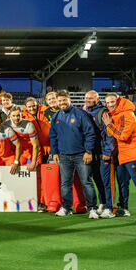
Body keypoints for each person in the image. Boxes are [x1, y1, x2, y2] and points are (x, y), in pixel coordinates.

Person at [49, 90, 98, 219]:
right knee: (65, 184)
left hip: (81, 155)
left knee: (86, 182)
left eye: (64, 100)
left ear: (69, 99)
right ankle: (66, 207)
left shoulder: (80, 114)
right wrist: (54, 152)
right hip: (64, 156)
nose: (62, 103)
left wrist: (88, 151)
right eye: (59, 101)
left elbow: (90, 133)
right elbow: (53, 136)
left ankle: (92, 208)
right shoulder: (56, 116)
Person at [102, 93, 136, 223]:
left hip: (133, 154)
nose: (110, 105)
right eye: (108, 103)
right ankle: (124, 208)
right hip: (123, 156)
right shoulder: (116, 115)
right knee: (123, 184)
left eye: (112, 102)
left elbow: (123, 136)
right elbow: (113, 134)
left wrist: (109, 125)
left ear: (118, 101)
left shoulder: (127, 114)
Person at [83, 90, 109, 214]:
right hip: (91, 152)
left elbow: (108, 134)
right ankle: (103, 203)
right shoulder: (85, 111)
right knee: (97, 180)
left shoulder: (103, 112)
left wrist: (107, 152)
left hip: (102, 153)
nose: (87, 100)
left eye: (90, 98)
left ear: (97, 100)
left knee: (106, 181)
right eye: (86, 98)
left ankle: (111, 206)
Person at [4, 106, 40, 171]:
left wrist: (33, 162)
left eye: (18, 115)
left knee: (35, 173)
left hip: (32, 150)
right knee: (19, 172)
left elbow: (35, 145)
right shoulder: (6, 124)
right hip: (20, 151)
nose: (16, 118)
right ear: (10, 116)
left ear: (22, 114)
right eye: (13, 116)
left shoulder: (28, 125)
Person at [22, 97, 51, 163]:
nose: (32, 109)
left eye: (34, 106)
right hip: (34, 149)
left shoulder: (45, 111)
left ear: (37, 105)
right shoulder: (23, 116)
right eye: (29, 107)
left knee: (47, 169)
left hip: (48, 147)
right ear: (26, 107)